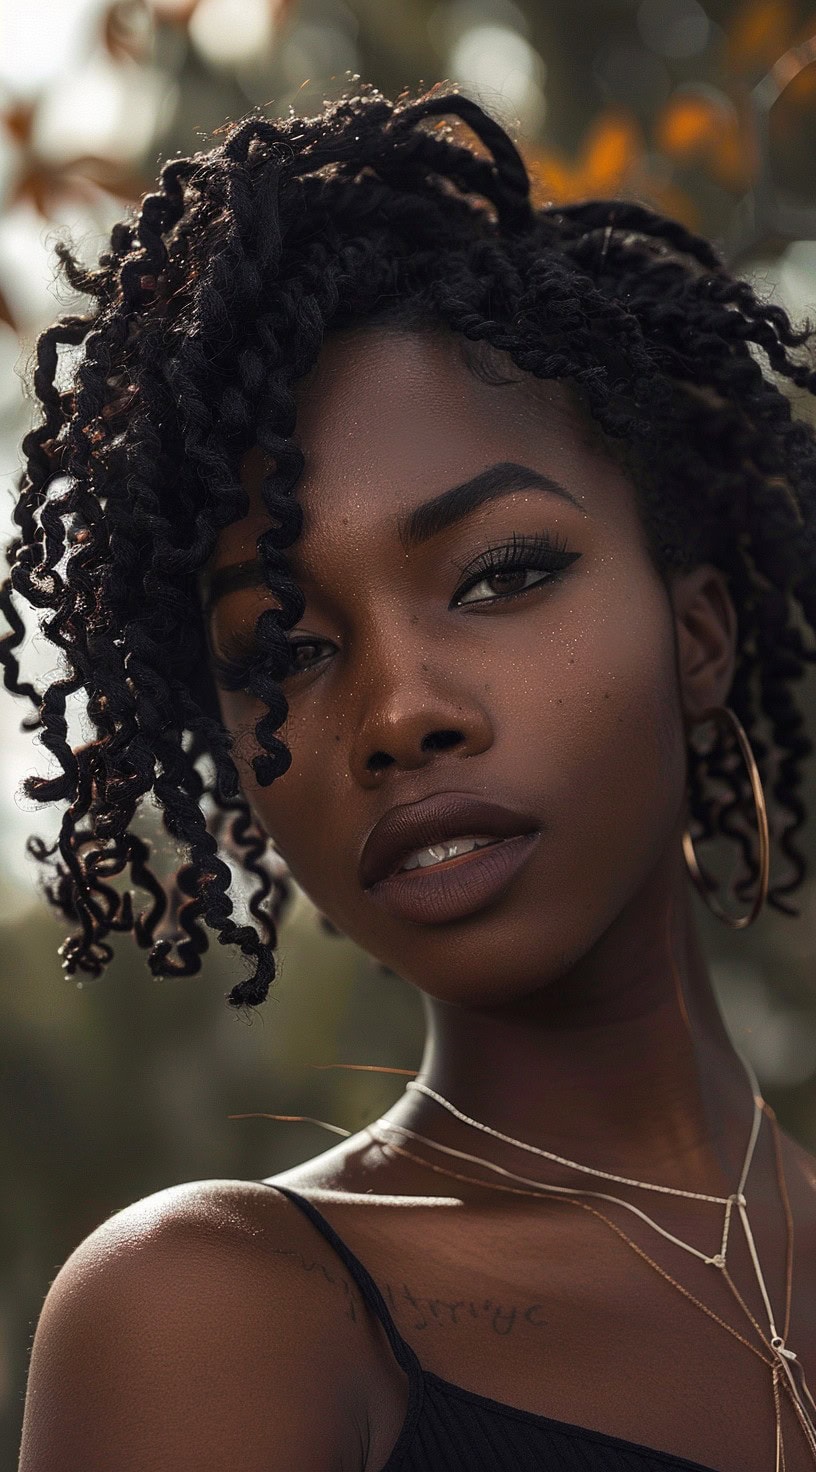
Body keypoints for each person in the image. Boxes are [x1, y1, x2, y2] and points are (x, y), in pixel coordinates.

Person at [7, 81, 816, 1472]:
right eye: (287, 650)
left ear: (696, 634)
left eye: (501, 575)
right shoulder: (222, 1317)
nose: (395, 713)